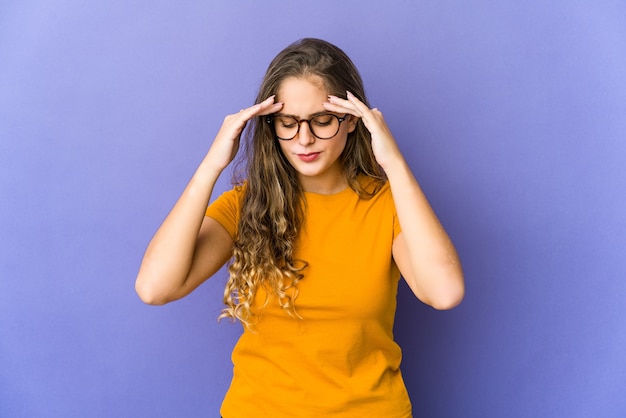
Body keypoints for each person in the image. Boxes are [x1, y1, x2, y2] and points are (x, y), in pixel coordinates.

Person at [135, 38, 464, 418]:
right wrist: (212, 165)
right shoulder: (246, 206)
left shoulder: (389, 206)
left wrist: (394, 163)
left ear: (352, 119)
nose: (303, 139)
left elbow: (444, 292)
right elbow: (154, 288)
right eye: (288, 124)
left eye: (322, 122)